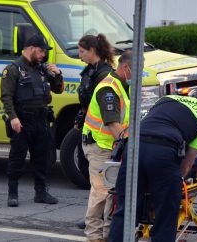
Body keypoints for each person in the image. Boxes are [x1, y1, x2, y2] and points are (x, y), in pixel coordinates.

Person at [109, 84, 197, 242]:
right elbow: (187, 163)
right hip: (163, 153)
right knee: (166, 215)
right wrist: (175, 181)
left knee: (125, 211)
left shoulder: (167, 99)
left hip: (133, 147)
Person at [0, 34, 64, 207]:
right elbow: (6, 96)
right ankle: (12, 193)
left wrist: (57, 74)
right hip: (22, 121)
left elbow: (58, 90)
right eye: (41, 51)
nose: (43, 55)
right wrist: (13, 117)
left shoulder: (42, 69)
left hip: (40, 120)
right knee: (17, 159)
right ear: (31, 48)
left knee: (41, 158)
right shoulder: (13, 69)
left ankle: (41, 192)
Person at [82, 50, 132, 242]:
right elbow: (112, 123)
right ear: (127, 68)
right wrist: (129, 144)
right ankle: (94, 237)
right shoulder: (108, 88)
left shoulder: (121, 84)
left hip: (112, 147)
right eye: (138, 70)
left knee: (113, 194)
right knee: (101, 192)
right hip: (99, 146)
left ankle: (108, 235)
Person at [75, 33, 114, 230]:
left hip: (100, 138)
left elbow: (100, 106)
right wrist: (80, 119)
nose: (79, 55)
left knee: (100, 185)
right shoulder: (91, 70)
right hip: (89, 130)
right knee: (95, 183)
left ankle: (97, 223)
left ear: (92, 51)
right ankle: (94, 218)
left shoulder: (104, 74)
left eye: (82, 52)